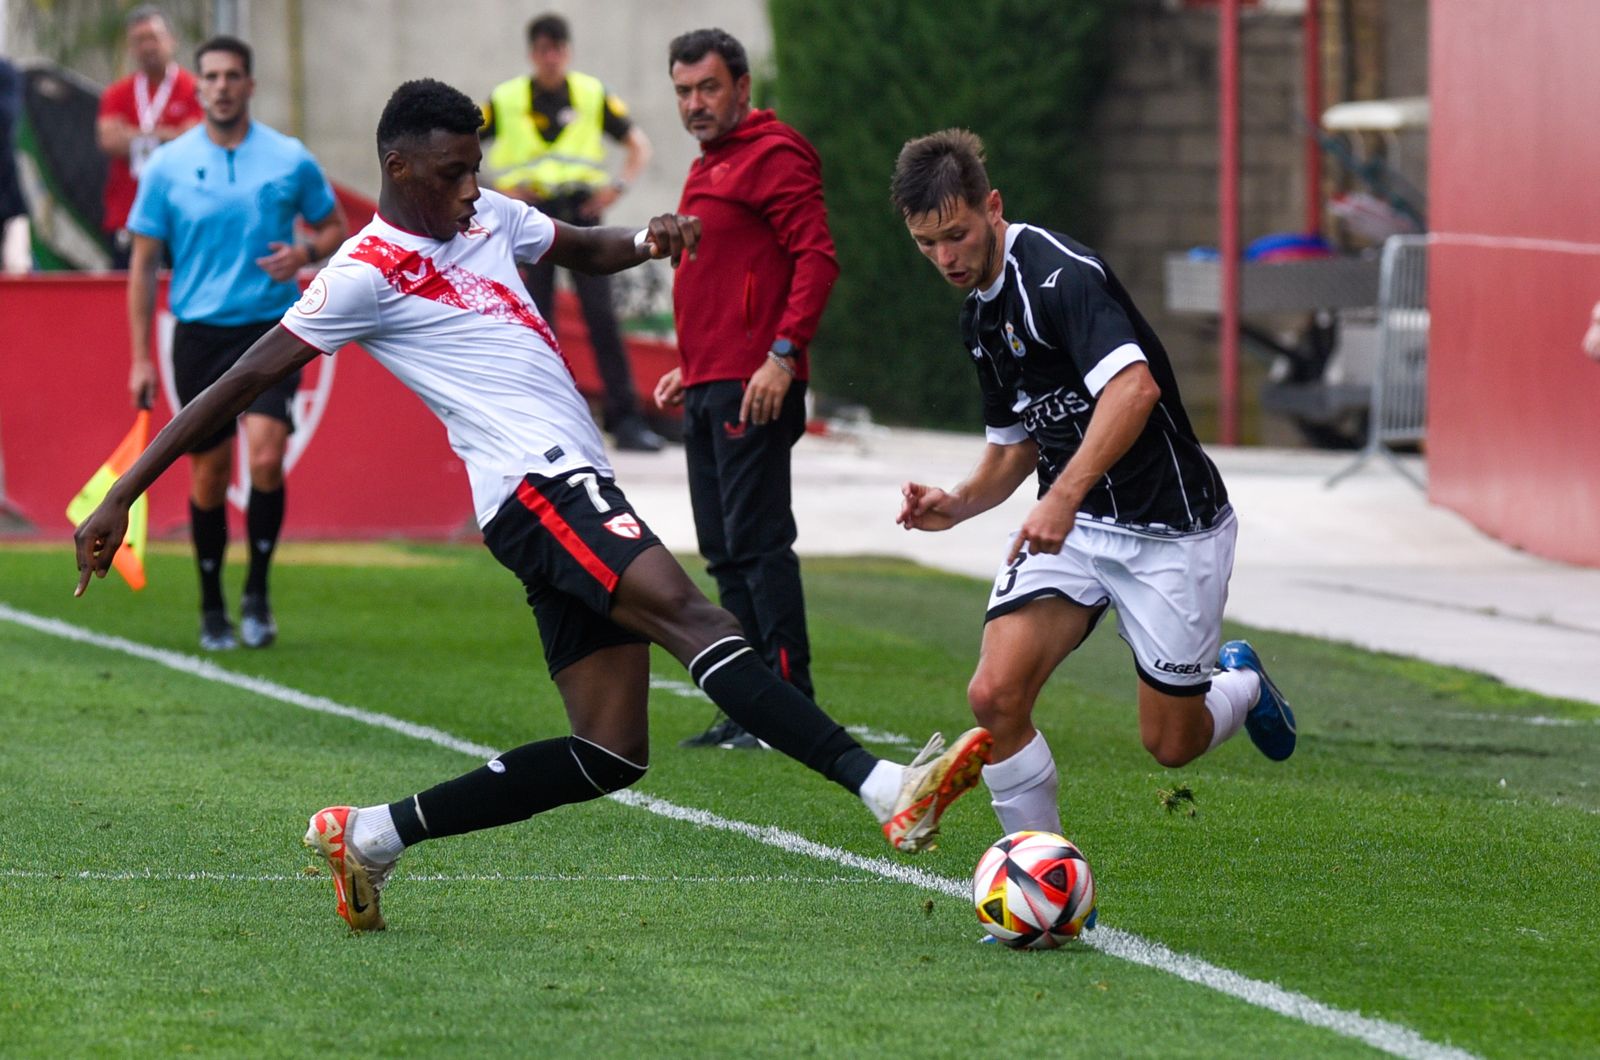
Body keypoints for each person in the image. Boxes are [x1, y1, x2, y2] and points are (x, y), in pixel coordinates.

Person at [74, 79, 992, 933]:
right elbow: (237, 382)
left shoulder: (486, 215)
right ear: (399, 171)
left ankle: (371, 837)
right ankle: (881, 788)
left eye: (476, 166)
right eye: (453, 172)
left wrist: (648, 239)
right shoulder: (364, 271)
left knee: (610, 751)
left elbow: (581, 247)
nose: (474, 186)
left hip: (560, 486)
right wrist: (122, 492)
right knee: (693, 612)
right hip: (535, 485)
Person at [889, 129, 1296, 839]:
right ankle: (1040, 874)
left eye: (956, 235)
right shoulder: (980, 319)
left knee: (1173, 744)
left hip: (1172, 526)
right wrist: (955, 505)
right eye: (927, 244)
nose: (945, 258)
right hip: (1075, 528)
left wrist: (1064, 494)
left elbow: (1133, 392)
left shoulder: (1060, 277)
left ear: (993, 205)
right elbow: (1017, 448)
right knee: (994, 695)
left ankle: (1245, 684)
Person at [123, 35, 346, 651]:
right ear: (199, 87)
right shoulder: (168, 166)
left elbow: (335, 227)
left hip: (272, 329)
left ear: (250, 85)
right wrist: (141, 356)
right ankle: (213, 603)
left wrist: (304, 252)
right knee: (208, 476)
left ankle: (258, 594)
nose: (221, 86)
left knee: (268, 458)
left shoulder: (288, 158)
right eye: (211, 76)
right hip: (198, 335)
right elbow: (143, 264)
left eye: (233, 76)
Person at [653, 29, 838, 750]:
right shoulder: (709, 165)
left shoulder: (774, 152)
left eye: (707, 88)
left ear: (742, 88)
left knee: (758, 547)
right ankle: (749, 703)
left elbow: (815, 258)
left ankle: (790, 702)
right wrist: (691, 364)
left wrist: (783, 355)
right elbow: (724, 274)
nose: (694, 103)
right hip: (711, 380)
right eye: (682, 91)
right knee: (724, 551)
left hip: (756, 383)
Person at [482, 13, 663, 453]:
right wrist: (499, 189)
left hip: (581, 214)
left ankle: (625, 420)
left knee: (601, 317)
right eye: (543, 50)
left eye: (557, 49)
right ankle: (543, 420)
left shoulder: (590, 94)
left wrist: (615, 189)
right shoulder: (505, 99)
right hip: (531, 216)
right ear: (532, 53)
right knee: (535, 320)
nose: (551, 58)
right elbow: (463, 143)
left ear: (568, 51)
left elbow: (639, 144)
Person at [96, 6, 203, 269]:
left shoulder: (195, 89)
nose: (147, 47)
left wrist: (133, 134)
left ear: (171, 40)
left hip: (184, 215)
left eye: (153, 37)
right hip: (129, 214)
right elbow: (110, 141)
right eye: (139, 40)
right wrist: (170, 133)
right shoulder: (117, 93)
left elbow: (195, 140)